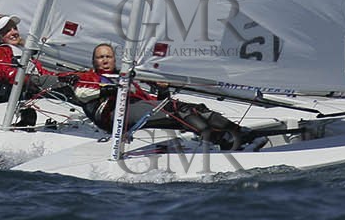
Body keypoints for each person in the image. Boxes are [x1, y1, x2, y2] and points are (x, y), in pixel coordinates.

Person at [75, 43, 260, 151]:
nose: (105, 60)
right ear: (94, 61)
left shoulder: (126, 79)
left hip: (134, 108)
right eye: (100, 57)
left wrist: (162, 89)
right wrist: (111, 88)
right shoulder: (88, 78)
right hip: (114, 115)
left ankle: (235, 133)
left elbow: (153, 101)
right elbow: (82, 94)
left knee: (194, 110)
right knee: (176, 111)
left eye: (108, 56)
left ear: (115, 60)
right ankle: (227, 141)